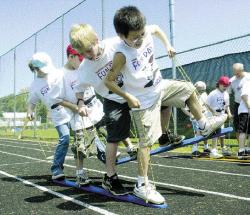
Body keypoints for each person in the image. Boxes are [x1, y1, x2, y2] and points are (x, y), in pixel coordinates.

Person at [104, 6, 227, 204]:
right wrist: (127, 96)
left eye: (141, 34)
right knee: (146, 142)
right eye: (134, 38)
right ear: (121, 36)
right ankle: (141, 185)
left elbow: (157, 29)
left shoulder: (147, 31)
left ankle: (203, 126)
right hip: (143, 101)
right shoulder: (121, 54)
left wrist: (168, 45)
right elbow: (108, 81)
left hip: (160, 87)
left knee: (188, 88)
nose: (140, 39)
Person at [69, 24, 137, 196]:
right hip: (112, 99)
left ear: (96, 39)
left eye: (89, 50)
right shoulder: (85, 68)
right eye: (83, 54)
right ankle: (110, 177)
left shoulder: (116, 43)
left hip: (136, 90)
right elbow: (79, 87)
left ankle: (166, 135)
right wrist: (80, 103)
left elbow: (139, 37)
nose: (88, 56)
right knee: (113, 137)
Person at [60, 44, 107, 185]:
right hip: (77, 114)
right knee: (80, 146)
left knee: (107, 128)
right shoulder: (62, 75)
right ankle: (80, 174)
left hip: (94, 108)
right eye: (78, 58)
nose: (81, 62)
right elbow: (58, 99)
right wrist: (75, 107)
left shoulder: (85, 67)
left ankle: (122, 151)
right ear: (70, 57)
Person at [27, 52, 71, 180]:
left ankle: (106, 158)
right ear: (35, 69)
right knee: (65, 137)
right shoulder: (35, 85)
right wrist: (30, 111)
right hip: (58, 114)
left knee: (87, 134)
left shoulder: (58, 73)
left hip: (71, 109)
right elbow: (32, 102)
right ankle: (57, 169)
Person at [182, 81, 210, 157]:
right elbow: (183, 108)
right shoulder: (190, 96)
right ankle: (194, 149)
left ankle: (206, 147)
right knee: (197, 132)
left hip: (204, 116)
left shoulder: (204, 95)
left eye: (202, 90)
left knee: (206, 131)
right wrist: (190, 114)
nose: (201, 92)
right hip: (195, 118)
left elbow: (207, 104)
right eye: (200, 90)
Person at [207, 76, 232, 158]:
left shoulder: (226, 94)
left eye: (227, 85)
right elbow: (206, 104)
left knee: (221, 134)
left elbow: (227, 105)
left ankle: (222, 149)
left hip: (221, 116)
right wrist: (213, 112)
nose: (226, 87)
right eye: (224, 85)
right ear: (219, 84)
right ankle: (213, 151)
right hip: (212, 117)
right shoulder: (213, 93)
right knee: (216, 133)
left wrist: (229, 113)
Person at [228, 63, 250, 142]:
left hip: (249, 104)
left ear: (242, 70)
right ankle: (241, 147)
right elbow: (227, 94)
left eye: (238, 72)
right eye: (234, 72)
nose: (236, 74)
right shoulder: (231, 81)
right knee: (238, 127)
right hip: (238, 105)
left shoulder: (248, 76)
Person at [237, 79, 250, 159]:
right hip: (245, 110)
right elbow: (244, 95)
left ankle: (248, 149)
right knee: (243, 131)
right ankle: (241, 151)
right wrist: (249, 107)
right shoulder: (248, 83)